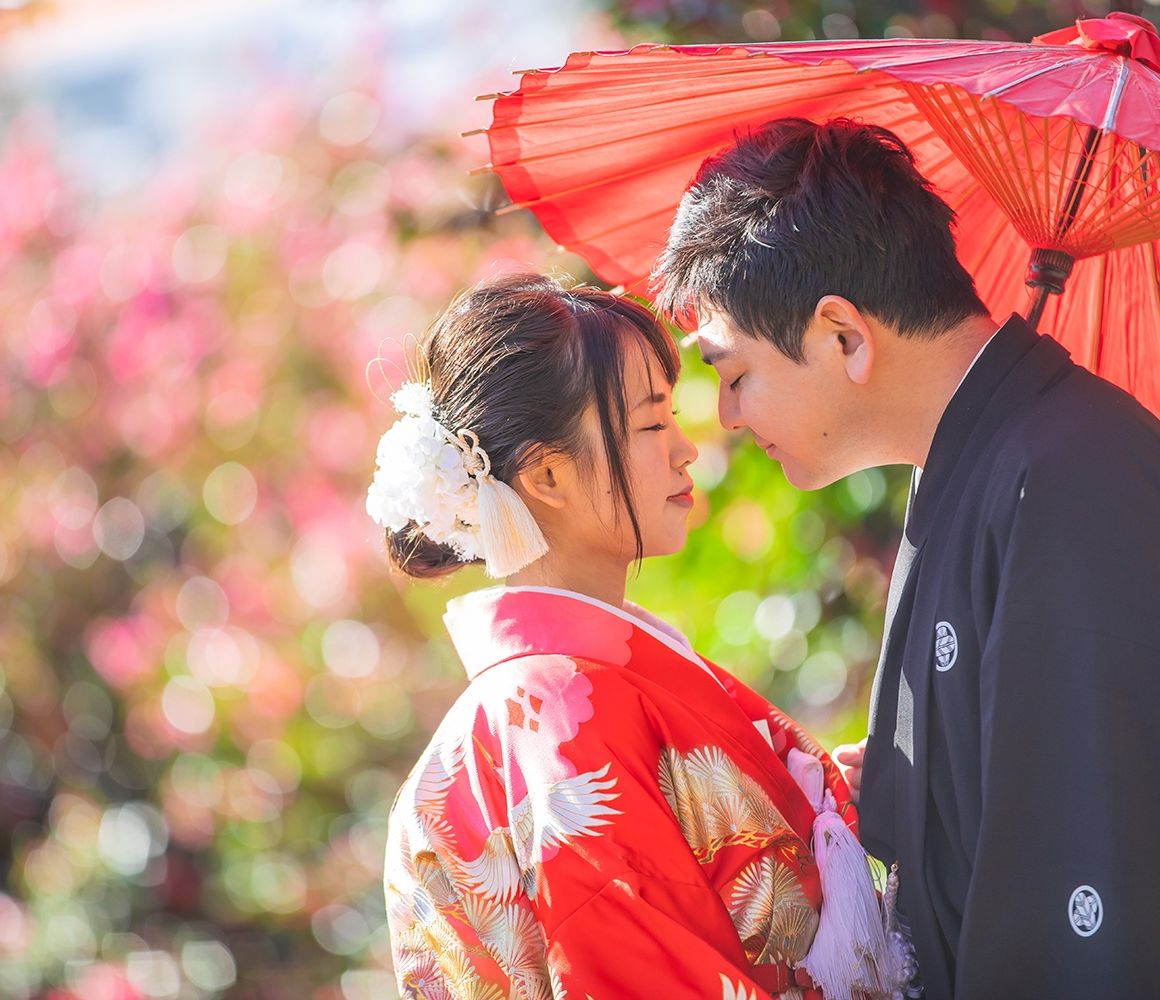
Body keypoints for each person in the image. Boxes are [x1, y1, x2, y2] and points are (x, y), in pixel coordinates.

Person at [652, 116, 1160, 998]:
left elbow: (1087, 868)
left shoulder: (1072, 469)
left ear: (843, 335)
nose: (727, 416)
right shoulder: (977, 460)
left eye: (735, 375)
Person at [369, 273, 906, 1000]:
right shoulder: (554, 714)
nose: (687, 449)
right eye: (653, 426)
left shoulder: (558, 695)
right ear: (547, 475)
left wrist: (833, 797)